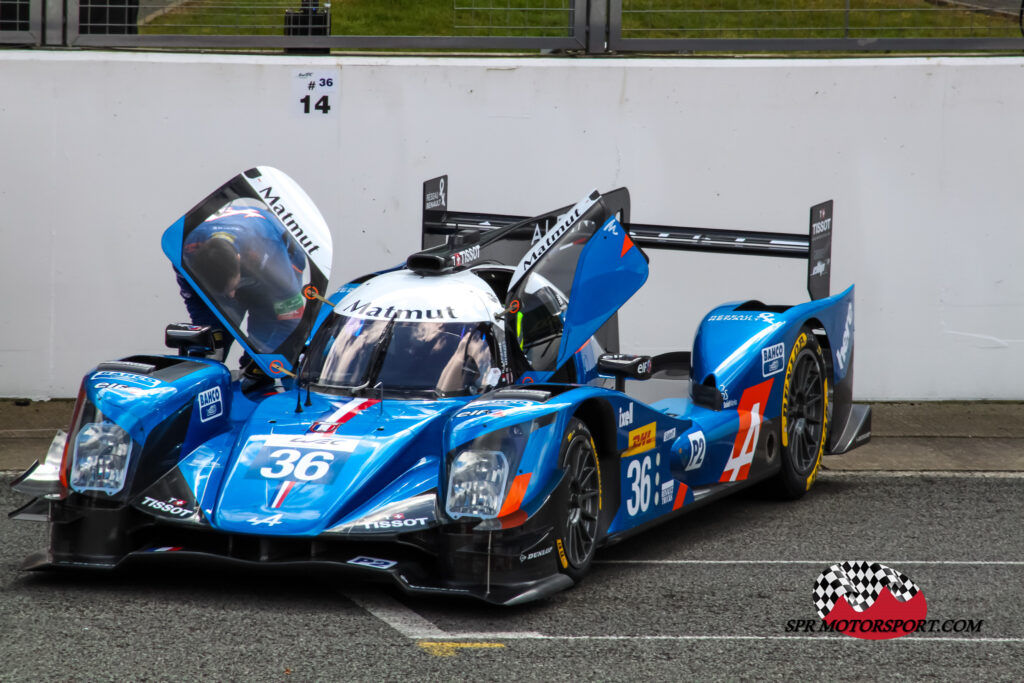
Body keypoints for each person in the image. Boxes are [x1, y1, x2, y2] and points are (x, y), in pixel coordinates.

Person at [176, 204, 308, 385]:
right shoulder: (184, 254)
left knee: (263, 349)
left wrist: (262, 359)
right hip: (233, 247)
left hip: (273, 252)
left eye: (232, 288)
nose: (232, 296)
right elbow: (197, 302)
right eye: (224, 292)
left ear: (238, 261)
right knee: (208, 345)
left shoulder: (270, 255)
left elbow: (291, 317)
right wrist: (211, 335)